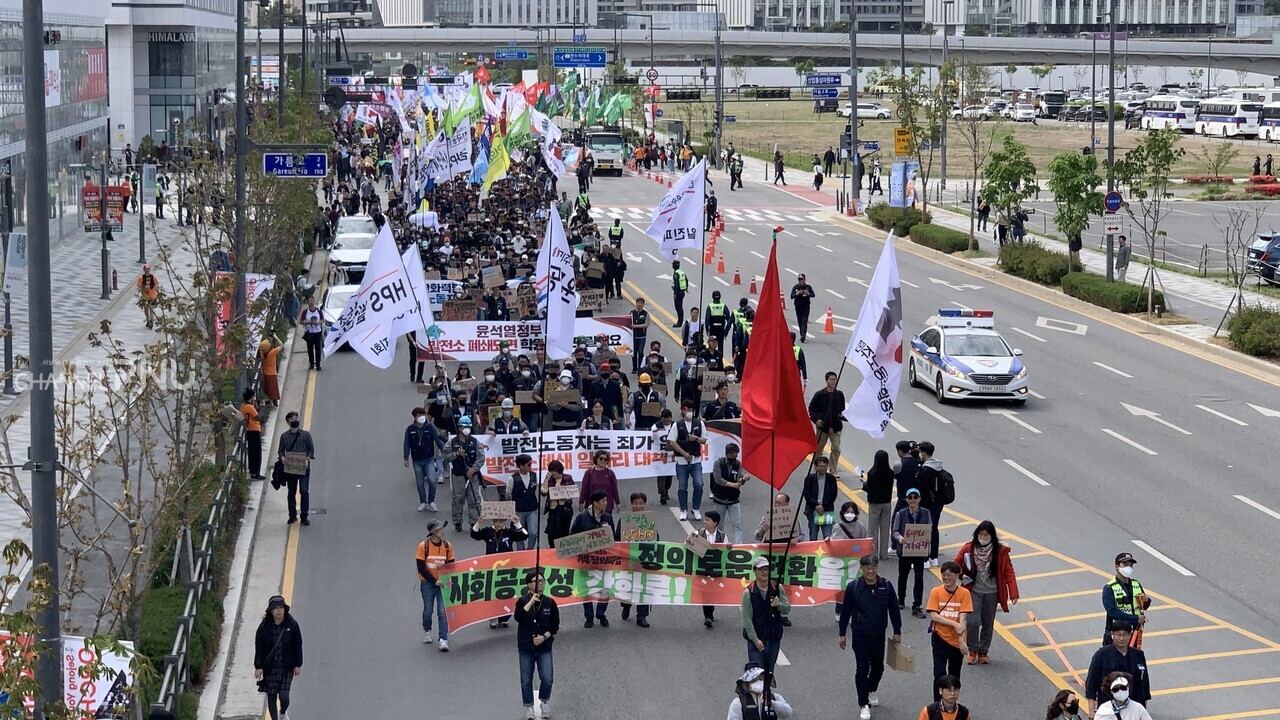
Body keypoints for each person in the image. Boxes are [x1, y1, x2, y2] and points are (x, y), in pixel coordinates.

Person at [839, 555, 902, 720]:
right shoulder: (853, 588)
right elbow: (845, 612)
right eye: (867, 567)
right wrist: (842, 634)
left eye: (873, 567)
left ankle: (871, 688)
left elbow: (894, 609)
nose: (870, 570)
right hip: (860, 635)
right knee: (861, 668)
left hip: (879, 634)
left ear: (877, 568)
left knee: (878, 667)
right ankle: (863, 704)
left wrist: (897, 630)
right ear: (861, 568)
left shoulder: (886, 586)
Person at [952, 520, 1020, 665]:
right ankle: (972, 650)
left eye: (986, 534)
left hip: (992, 592)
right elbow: (955, 564)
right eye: (981, 534)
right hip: (974, 590)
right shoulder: (968, 548)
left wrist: (1013, 593)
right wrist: (959, 575)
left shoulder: (1000, 552)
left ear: (992, 536)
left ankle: (983, 652)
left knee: (988, 623)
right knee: (972, 621)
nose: (983, 536)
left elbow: (1009, 572)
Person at [471, 514, 529, 627]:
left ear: (505, 521)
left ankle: (504, 617)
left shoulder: (509, 532)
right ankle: (492, 616)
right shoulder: (488, 531)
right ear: (492, 520)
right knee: (492, 593)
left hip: (507, 569)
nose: (498, 523)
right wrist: (479, 522)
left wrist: (517, 523)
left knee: (505, 592)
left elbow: (524, 536)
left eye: (501, 521)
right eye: (496, 521)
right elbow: (474, 535)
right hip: (491, 568)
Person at [515, 571, 559, 720]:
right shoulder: (522, 601)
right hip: (526, 648)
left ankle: (544, 701)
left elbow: (555, 626)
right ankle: (529, 707)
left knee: (547, 677)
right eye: (536, 581)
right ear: (529, 584)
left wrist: (544, 637)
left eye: (542, 580)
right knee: (526, 679)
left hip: (544, 648)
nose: (540, 583)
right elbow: (518, 617)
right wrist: (531, 602)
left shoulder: (550, 603)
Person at [927, 561, 973, 700]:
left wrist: (961, 641)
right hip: (940, 637)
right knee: (939, 673)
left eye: (949, 575)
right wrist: (953, 624)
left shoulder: (964, 593)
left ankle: (951, 702)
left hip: (955, 642)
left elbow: (963, 619)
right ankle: (937, 704)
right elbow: (934, 616)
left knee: (954, 675)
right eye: (943, 575)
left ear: (957, 575)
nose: (946, 578)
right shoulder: (936, 592)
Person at [1085, 622, 1152, 715]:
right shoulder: (1101, 655)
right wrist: (1091, 712)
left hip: (1132, 707)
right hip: (1109, 708)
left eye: (1124, 635)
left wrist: (1143, 710)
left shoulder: (1138, 655)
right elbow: (1091, 683)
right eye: (1118, 635)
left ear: (1130, 635)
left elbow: (1144, 683)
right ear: (1112, 635)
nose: (1121, 638)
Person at [254, 595, 302, 720]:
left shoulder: (292, 625)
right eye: (275, 608)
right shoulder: (264, 627)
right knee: (271, 696)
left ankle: (283, 713)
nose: (279, 610)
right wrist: (258, 666)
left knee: (284, 697)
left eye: (281, 607)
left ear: (285, 609)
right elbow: (259, 647)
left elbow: (298, 645)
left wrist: (298, 664)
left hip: (286, 668)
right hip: (270, 668)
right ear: (271, 611)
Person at [571, 492, 615, 627]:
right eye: (603, 501)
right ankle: (589, 616)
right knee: (586, 589)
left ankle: (601, 614)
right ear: (595, 503)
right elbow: (573, 536)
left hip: (604, 561)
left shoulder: (608, 517)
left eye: (606, 500)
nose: (606, 503)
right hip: (586, 561)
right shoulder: (582, 517)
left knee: (605, 587)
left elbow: (614, 538)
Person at [742, 555, 789, 670]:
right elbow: (747, 619)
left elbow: (786, 608)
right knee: (757, 674)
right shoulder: (748, 593)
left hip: (773, 638)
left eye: (767, 569)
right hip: (757, 641)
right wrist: (755, 639)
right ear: (755, 571)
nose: (764, 572)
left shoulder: (777, 588)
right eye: (761, 569)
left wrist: (779, 605)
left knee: (769, 672)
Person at [617, 492, 655, 628]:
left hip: (644, 559)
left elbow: (656, 538)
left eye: (640, 503)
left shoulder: (649, 519)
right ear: (631, 504)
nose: (638, 506)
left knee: (644, 588)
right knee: (627, 586)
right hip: (628, 559)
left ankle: (642, 616)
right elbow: (617, 539)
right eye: (635, 503)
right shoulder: (624, 520)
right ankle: (626, 605)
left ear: (644, 504)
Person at [666, 399, 708, 521]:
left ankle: (695, 508)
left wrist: (695, 439)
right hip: (681, 462)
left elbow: (704, 440)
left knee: (699, 484)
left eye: (691, 410)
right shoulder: (677, 425)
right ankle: (683, 509)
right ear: (682, 410)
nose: (689, 412)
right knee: (682, 487)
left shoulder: (699, 423)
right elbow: (672, 442)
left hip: (696, 461)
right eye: (687, 410)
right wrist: (684, 454)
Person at [892, 488, 930, 618]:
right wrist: (900, 538)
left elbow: (929, 528)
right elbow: (895, 531)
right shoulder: (900, 514)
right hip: (904, 550)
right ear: (907, 499)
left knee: (919, 578)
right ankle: (901, 599)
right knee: (903, 575)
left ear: (919, 499)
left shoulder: (926, 513)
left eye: (915, 497)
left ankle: (917, 603)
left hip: (919, 550)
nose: (913, 500)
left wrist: (927, 539)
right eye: (910, 497)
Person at [446, 416, 485, 532]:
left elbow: (481, 458)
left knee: (474, 499)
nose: (466, 429)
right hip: (458, 475)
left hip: (472, 476)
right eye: (464, 426)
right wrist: (457, 454)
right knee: (458, 499)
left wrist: (473, 469)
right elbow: (445, 456)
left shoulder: (475, 442)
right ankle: (457, 521)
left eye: (468, 426)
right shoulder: (452, 443)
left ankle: (474, 522)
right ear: (459, 428)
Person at [1101, 552, 1149, 647]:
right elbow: (1112, 612)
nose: (1129, 568)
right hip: (1116, 633)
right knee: (1115, 661)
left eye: (1131, 565)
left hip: (1134, 632)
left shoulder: (1136, 584)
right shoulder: (1109, 588)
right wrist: (1135, 619)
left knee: (1133, 660)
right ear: (1117, 567)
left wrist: (1146, 600)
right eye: (1125, 564)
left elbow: (1143, 606)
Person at [404, 407, 446, 512]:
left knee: (432, 480)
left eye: (423, 415)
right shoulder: (410, 429)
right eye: (419, 415)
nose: (422, 417)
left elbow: (438, 440)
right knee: (420, 483)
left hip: (429, 459)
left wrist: (445, 452)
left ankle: (431, 501)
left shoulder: (430, 427)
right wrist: (406, 457)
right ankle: (423, 502)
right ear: (414, 417)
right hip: (417, 460)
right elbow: (406, 444)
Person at [278, 411, 316, 526]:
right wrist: (282, 458)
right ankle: (292, 515)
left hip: (304, 468)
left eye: (296, 419)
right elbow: (280, 450)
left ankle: (304, 516)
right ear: (288, 422)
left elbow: (311, 450)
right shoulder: (284, 436)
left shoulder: (306, 435)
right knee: (291, 492)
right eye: (293, 420)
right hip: (291, 468)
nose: (295, 421)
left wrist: (307, 459)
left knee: (304, 491)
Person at [913, 441, 946, 567]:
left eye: (921, 452)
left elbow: (920, 486)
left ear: (924, 453)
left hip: (927, 503)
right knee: (934, 528)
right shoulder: (938, 466)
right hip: (938, 503)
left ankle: (924, 559)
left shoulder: (926, 470)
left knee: (924, 529)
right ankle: (934, 557)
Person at [727, 663, 794, 720]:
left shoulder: (775, 697)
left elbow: (788, 713)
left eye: (761, 680)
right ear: (747, 683)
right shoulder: (739, 703)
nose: (758, 682)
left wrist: (772, 703)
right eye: (754, 680)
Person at [695, 510, 727, 628]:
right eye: (705, 519)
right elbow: (687, 544)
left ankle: (710, 613)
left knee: (712, 591)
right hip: (703, 568)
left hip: (715, 569)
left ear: (715, 523)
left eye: (708, 520)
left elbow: (726, 551)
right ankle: (707, 616)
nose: (705, 522)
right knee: (705, 591)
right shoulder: (699, 533)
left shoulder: (722, 536)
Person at [710, 442, 747, 543]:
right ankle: (721, 544)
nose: (734, 457)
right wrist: (733, 485)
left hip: (733, 500)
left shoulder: (738, 464)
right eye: (732, 454)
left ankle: (738, 546)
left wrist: (743, 479)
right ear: (727, 454)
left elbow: (739, 478)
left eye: (735, 455)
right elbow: (718, 480)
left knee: (737, 524)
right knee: (720, 525)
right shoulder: (718, 463)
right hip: (720, 499)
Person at [862, 450, 895, 561]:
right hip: (886, 503)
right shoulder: (890, 473)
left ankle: (873, 554)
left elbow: (870, 489)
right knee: (885, 529)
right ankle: (884, 554)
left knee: (873, 530)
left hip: (875, 504)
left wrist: (864, 483)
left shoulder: (872, 473)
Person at [808, 371, 846, 468]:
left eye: (835, 379)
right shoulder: (819, 394)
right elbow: (811, 409)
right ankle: (817, 468)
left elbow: (842, 410)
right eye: (831, 379)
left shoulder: (839, 395)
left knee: (836, 448)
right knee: (819, 449)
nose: (833, 382)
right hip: (822, 428)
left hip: (835, 428)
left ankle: (833, 469)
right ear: (826, 381)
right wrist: (816, 420)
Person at [802, 456, 839, 540]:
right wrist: (816, 505)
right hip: (813, 510)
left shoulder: (831, 479)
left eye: (824, 466)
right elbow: (807, 494)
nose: (823, 468)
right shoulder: (809, 479)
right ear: (816, 467)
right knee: (813, 535)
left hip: (827, 510)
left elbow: (833, 495)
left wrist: (823, 506)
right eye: (820, 466)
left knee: (828, 536)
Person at [507, 454, 540, 549]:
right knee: (519, 532)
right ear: (521, 466)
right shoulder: (512, 478)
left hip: (532, 508)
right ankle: (521, 551)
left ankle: (530, 550)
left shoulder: (534, 475)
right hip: (519, 510)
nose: (531, 466)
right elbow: (508, 494)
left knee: (533, 532)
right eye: (528, 464)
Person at [542, 460, 576, 548]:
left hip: (565, 509)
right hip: (553, 509)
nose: (553, 473)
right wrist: (546, 479)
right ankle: (552, 549)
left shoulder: (567, 478)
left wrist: (558, 484)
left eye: (554, 471)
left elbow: (572, 493)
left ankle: (563, 550)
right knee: (552, 533)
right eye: (551, 471)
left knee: (563, 533)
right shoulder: (550, 480)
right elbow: (543, 493)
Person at [577, 450, 620, 514]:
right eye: (601, 458)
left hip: (606, 506)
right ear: (596, 459)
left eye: (605, 459)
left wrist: (617, 503)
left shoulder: (610, 473)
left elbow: (614, 489)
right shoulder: (589, 473)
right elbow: (584, 489)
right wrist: (581, 502)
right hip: (592, 505)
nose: (603, 461)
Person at [241, 389, 264, 480]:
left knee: (252, 452)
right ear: (251, 397)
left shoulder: (244, 406)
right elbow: (258, 417)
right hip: (253, 430)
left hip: (249, 430)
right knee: (256, 453)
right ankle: (255, 472)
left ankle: (253, 471)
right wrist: (262, 409)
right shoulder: (249, 407)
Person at [299, 294, 324, 371]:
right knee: (310, 349)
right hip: (309, 332)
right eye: (309, 301)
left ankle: (318, 364)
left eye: (312, 300)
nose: (311, 302)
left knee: (318, 348)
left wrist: (318, 323)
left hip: (317, 332)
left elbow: (323, 319)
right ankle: (312, 364)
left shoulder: (318, 311)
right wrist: (309, 323)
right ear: (307, 302)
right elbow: (301, 321)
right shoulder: (305, 312)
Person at [790, 274, 814, 342]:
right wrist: (797, 293)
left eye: (801, 279)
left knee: (804, 321)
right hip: (798, 306)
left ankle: (803, 335)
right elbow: (791, 296)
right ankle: (801, 334)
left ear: (804, 280)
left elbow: (813, 295)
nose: (800, 281)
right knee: (800, 321)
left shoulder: (808, 287)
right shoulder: (796, 287)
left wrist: (808, 293)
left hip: (806, 307)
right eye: (799, 279)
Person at [630, 297, 650, 374]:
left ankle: (640, 368)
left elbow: (646, 324)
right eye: (638, 303)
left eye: (641, 303)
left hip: (642, 336)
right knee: (633, 353)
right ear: (636, 304)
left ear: (643, 304)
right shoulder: (632, 313)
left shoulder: (646, 313)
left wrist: (636, 326)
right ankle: (634, 368)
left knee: (640, 352)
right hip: (633, 336)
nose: (639, 305)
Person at [137, 264, 160, 329]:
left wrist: (158, 293)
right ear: (144, 270)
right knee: (147, 309)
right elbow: (139, 286)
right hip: (145, 296)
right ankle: (148, 320)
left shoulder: (153, 278)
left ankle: (151, 321)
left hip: (151, 296)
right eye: (146, 269)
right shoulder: (141, 278)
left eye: (148, 269)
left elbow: (156, 286)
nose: (147, 270)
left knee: (150, 309)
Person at [671, 260, 689, 327]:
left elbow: (676, 284)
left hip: (678, 293)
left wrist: (675, 293)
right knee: (680, 307)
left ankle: (679, 322)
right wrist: (686, 288)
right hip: (682, 292)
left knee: (678, 307)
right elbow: (686, 280)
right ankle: (680, 321)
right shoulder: (681, 272)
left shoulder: (676, 274)